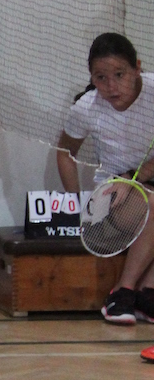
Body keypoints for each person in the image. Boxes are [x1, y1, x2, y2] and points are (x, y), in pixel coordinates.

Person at [58, 31, 154, 325]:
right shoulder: (86, 108)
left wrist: (132, 177)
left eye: (119, 74)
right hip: (113, 197)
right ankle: (123, 292)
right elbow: (65, 153)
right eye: (101, 78)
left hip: (139, 181)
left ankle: (147, 294)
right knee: (153, 202)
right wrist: (76, 204)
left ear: (137, 68)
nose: (111, 86)